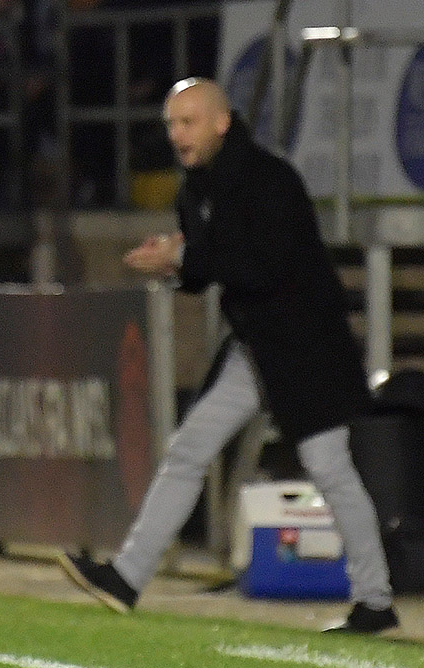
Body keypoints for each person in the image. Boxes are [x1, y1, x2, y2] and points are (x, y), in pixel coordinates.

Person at [58, 77, 398, 634]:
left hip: (304, 348)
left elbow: (259, 266)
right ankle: (127, 576)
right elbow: (212, 270)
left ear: (221, 122)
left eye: (187, 122)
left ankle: (376, 600)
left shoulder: (269, 179)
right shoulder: (195, 187)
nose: (176, 135)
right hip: (257, 347)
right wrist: (177, 261)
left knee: (331, 468)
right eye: (170, 123)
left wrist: (183, 256)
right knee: (188, 451)